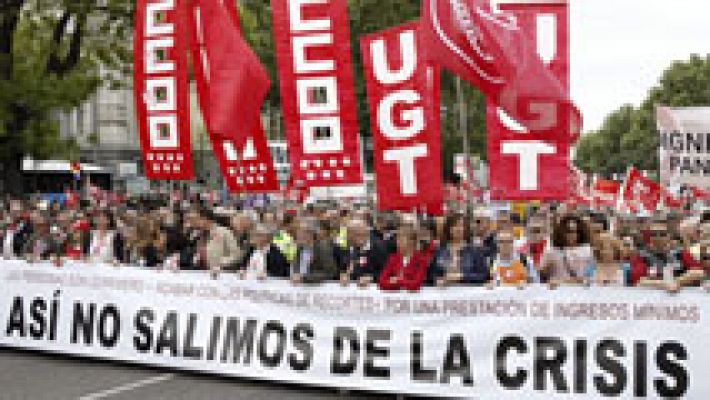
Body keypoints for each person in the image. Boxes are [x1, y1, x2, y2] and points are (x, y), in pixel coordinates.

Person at [638, 218, 704, 292]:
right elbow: (640, 282)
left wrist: (677, 282)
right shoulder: (642, 255)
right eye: (654, 234)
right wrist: (665, 284)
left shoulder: (680, 253)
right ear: (649, 237)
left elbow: (699, 272)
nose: (658, 237)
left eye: (662, 234)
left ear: (669, 236)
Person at [429, 213, 490, 287]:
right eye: (455, 225)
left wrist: (462, 276)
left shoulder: (475, 251)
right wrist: (438, 279)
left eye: (461, 225)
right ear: (449, 228)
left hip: (467, 295)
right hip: (443, 293)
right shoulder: (439, 250)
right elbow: (431, 273)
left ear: (465, 229)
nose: (458, 228)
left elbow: (483, 275)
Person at [541, 214, 595, 286]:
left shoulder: (588, 250)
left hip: (581, 291)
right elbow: (542, 275)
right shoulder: (552, 250)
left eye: (575, 231)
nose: (571, 234)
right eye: (568, 231)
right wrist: (545, 269)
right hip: (559, 292)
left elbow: (592, 272)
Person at [378, 223, 431, 291]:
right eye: (397, 239)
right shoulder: (393, 258)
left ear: (411, 241)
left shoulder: (421, 260)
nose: (398, 242)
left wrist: (398, 280)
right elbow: (382, 282)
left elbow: (416, 284)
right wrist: (404, 282)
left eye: (401, 239)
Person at [340, 219, 388, 288]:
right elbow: (346, 267)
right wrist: (344, 275)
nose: (346, 237)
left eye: (349, 233)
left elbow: (386, 273)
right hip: (353, 288)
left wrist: (371, 278)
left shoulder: (378, 247)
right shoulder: (348, 246)